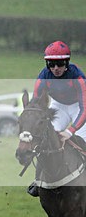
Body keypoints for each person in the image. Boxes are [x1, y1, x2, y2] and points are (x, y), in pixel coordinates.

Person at [27, 40, 86, 197]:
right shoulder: (43, 77)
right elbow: (36, 105)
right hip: (59, 106)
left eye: (59, 64)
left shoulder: (78, 77)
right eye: (51, 64)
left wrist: (71, 131)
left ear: (67, 63)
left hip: (79, 107)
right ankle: (38, 181)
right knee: (46, 139)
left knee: (83, 141)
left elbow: (84, 108)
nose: (55, 68)